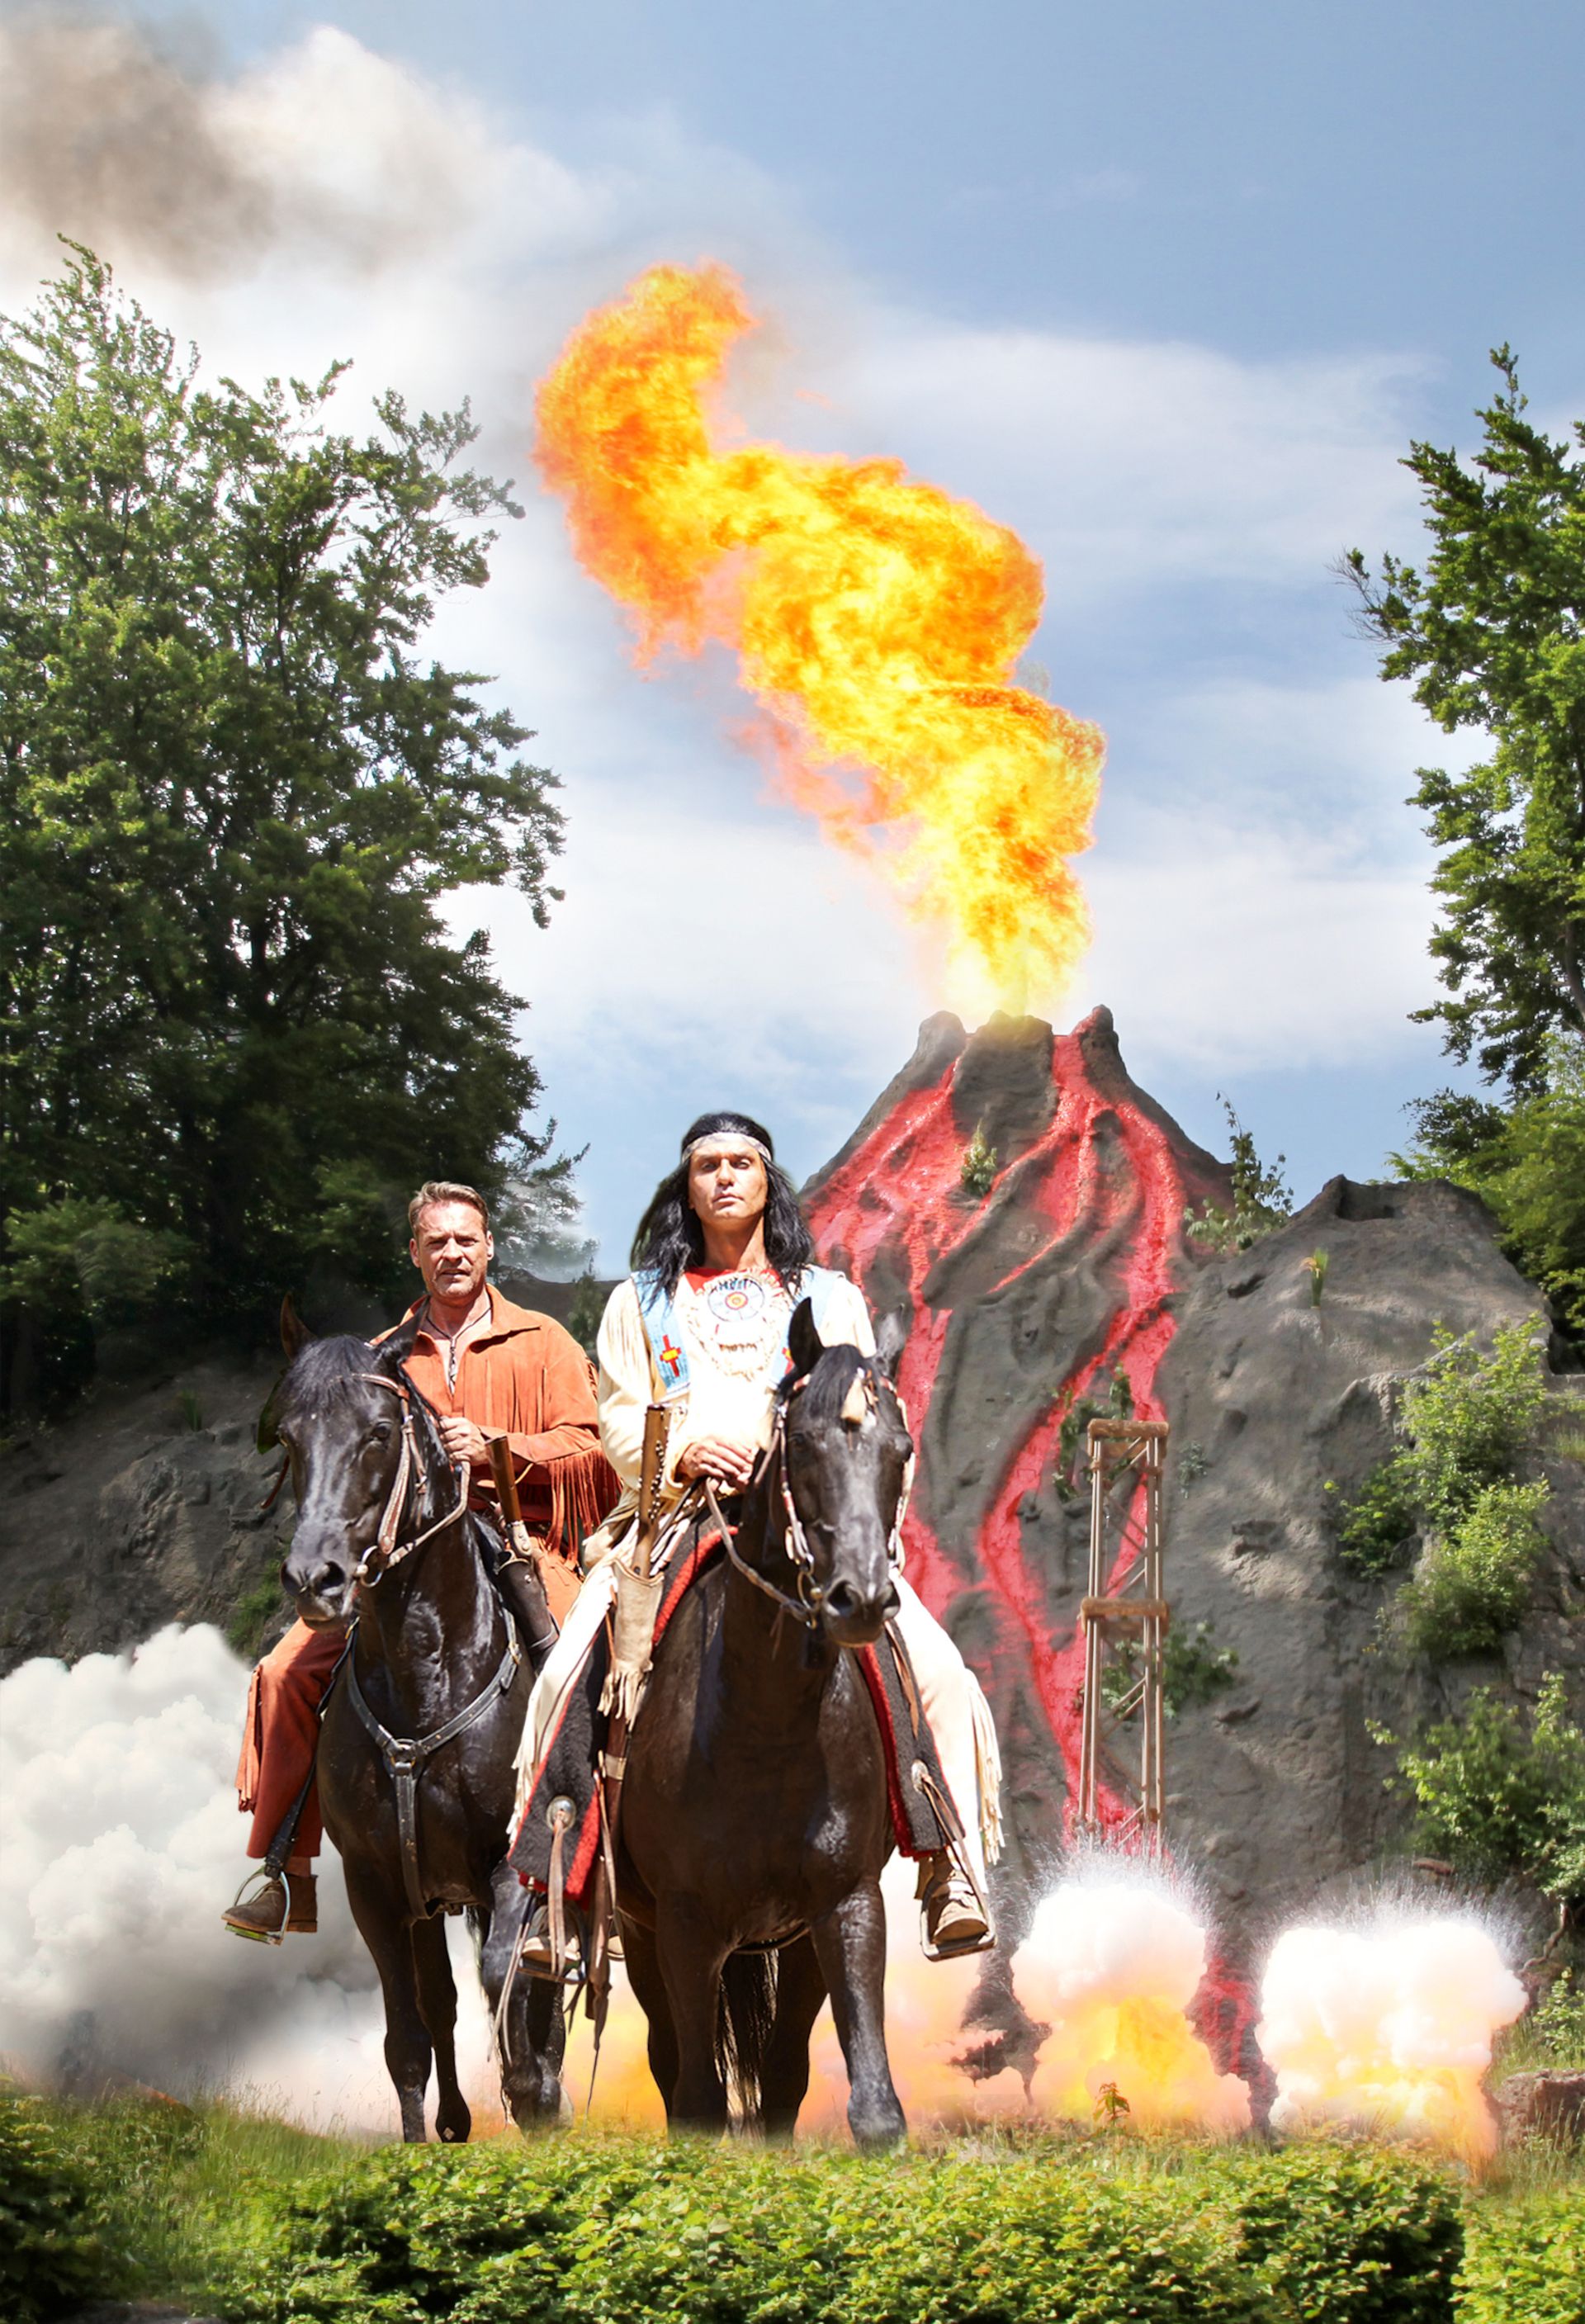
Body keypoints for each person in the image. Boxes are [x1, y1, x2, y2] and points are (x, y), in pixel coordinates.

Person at [527, 1112, 1001, 1962]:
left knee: (942, 1673)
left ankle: (947, 1869)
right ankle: (558, 1889)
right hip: (675, 1522)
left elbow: (870, 1416)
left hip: (812, 1536)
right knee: (564, 1675)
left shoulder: (830, 1297)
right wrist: (682, 1449)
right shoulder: (640, 1302)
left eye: (741, 1162)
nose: (724, 1177)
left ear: (767, 1180)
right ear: (686, 1185)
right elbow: (617, 1420)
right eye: (707, 1164)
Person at [224, 1180, 616, 1942]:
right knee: (283, 1673)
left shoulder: (544, 1342)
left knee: (583, 1671)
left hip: (522, 1549)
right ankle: (282, 1870)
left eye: (465, 1239)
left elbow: (596, 1457)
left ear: (490, 1245)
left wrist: (503, 1450)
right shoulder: (379, 1359)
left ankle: (598, 1865)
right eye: (436, 1242)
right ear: (415, 1253)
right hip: (397, 1571)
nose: (452, 1253)